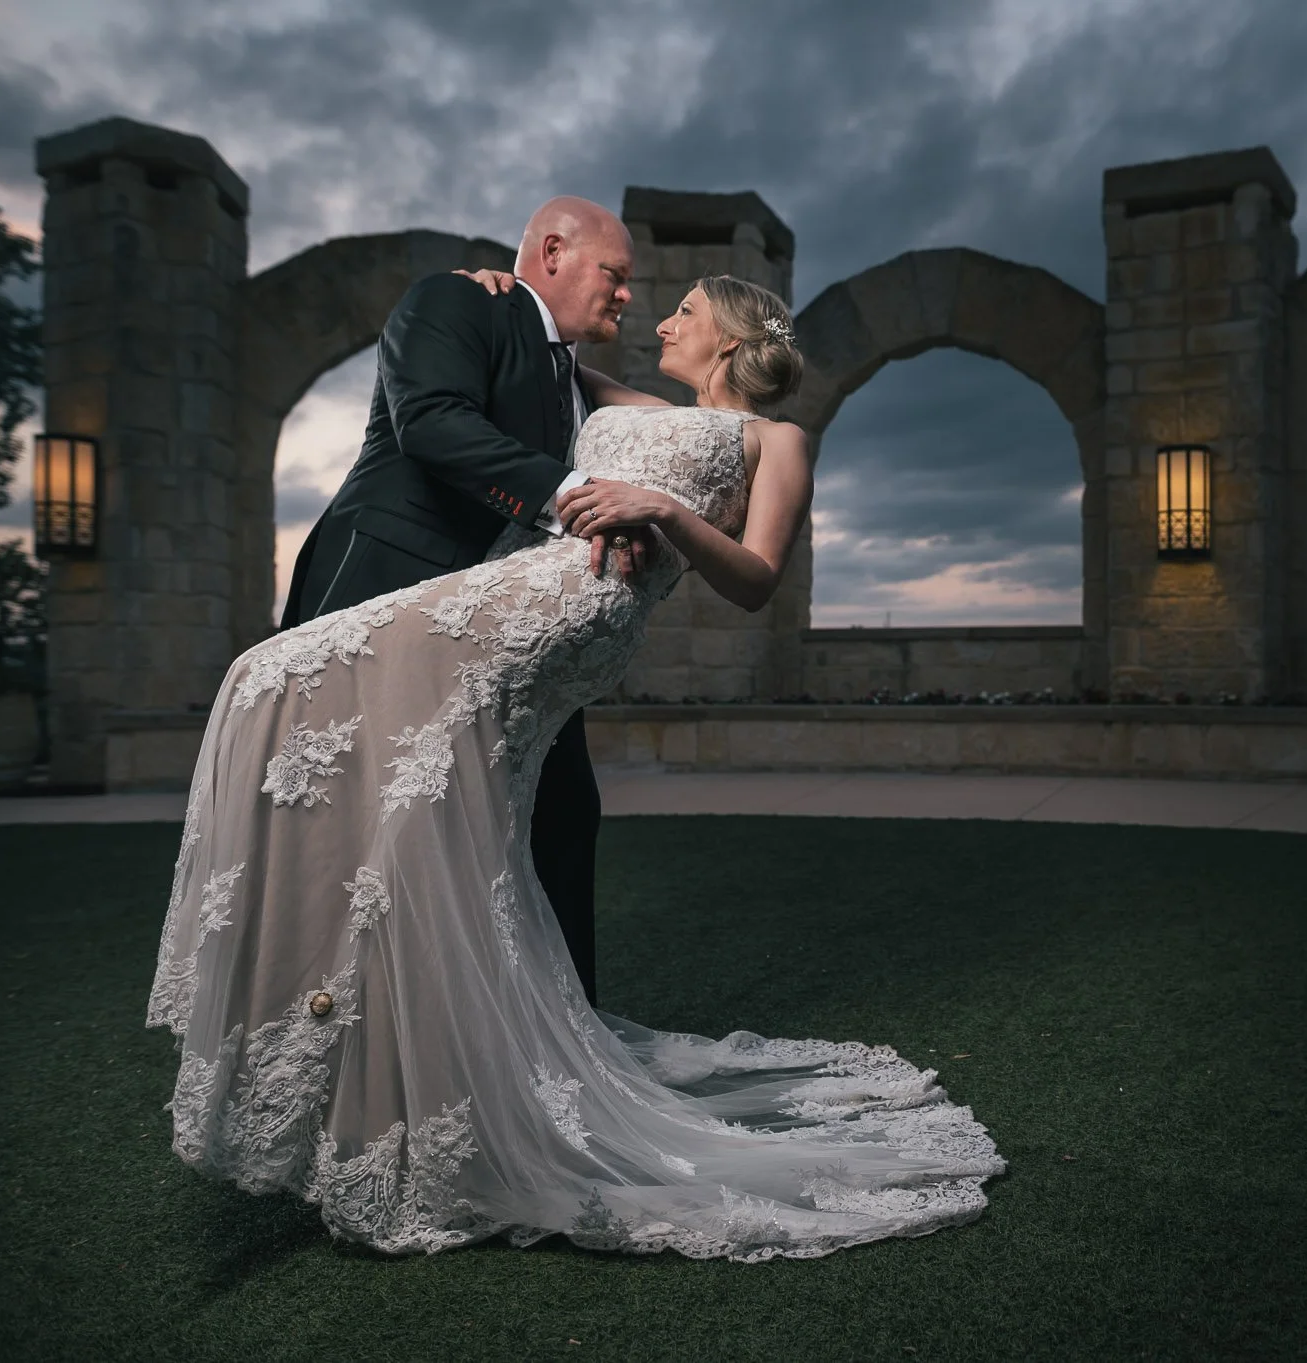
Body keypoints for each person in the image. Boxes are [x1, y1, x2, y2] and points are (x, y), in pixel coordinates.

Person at [147, 254, 1005, 1260]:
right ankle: (409, 1064)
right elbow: (543, 352)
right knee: (383, 758)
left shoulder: (778, 438)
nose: (661, 323)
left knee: (278, 672)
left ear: (730, 336)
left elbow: (756, 579)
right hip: (538, 573)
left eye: (683, 311)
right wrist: (500, 286)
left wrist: (667, 511)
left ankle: (408, 1073)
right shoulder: (625, 400)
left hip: (586, 596)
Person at [279, 195, 648, 1007]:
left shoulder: (579, 379)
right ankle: (345, 1025)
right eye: (614, 274)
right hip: (387, 601)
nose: (626, 294)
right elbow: (431, 421)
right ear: (552, 253)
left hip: (511, 635)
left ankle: (559, 1031)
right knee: (365, 829)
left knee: (563, 810)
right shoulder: (455, 299)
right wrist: (575, 495)